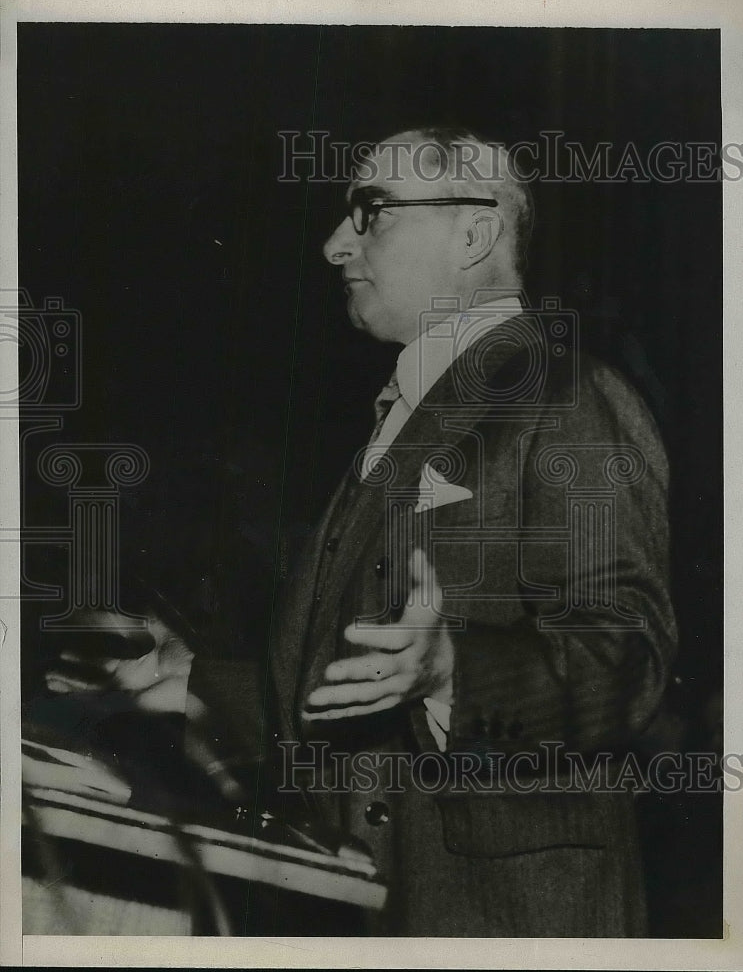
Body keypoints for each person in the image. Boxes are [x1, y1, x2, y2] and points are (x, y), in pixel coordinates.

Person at [46, 127, 678, 936]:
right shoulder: (406, 412)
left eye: (370, 210)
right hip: (376, 904)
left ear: (474, 231)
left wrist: (454, 670)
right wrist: (196, 679)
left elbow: (628, 661)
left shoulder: (569, 394)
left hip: (499, 920)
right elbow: (355, 688)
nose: (334, 243)